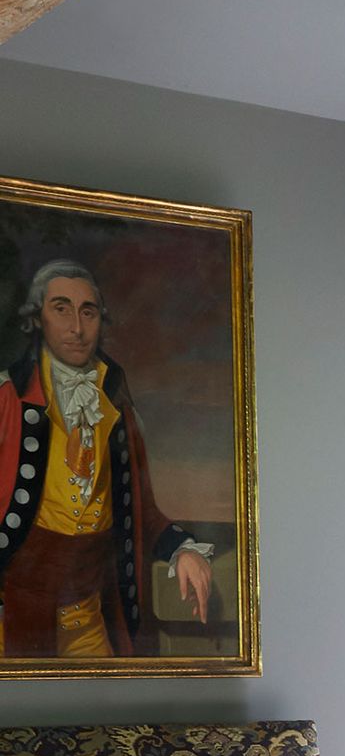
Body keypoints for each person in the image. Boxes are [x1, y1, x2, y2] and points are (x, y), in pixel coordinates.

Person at [0, 260, 215, 657]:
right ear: (37, 319)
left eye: (88, 312)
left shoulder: (117, 405)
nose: (77, 328)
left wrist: (183, 550)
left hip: (91, 616)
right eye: (61, 309)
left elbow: (141, 511)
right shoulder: (7, 399)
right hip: (15, 620)